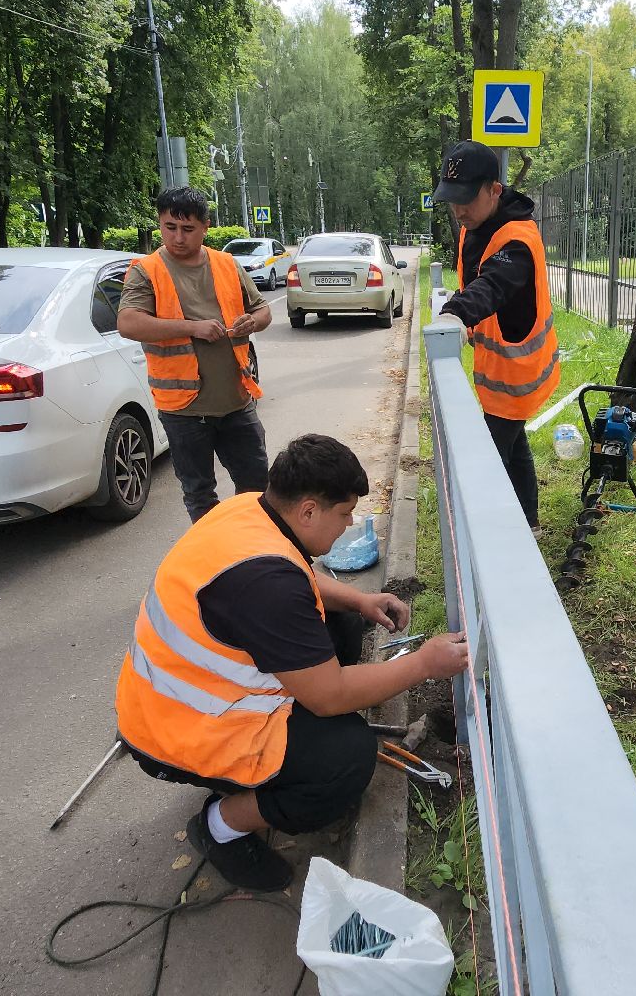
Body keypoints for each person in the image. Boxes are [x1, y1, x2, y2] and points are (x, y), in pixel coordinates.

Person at [114, 434, 469, 892]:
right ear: (308, 510)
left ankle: (273, 766)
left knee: (342, 622)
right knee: (345, 759)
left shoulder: (249, 510)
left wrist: (360, 600)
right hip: (179, 733)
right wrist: (425, 663)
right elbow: (330, 696)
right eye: (343, 515)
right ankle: (220, 825)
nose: (348, 525)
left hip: (173, 700)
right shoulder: (266, 586)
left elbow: (296, 577)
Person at [118, 186, 276, 521]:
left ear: (205, 227)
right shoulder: (146, 270)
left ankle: (256, 554)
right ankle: (217, 562)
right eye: (169, 227)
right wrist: (192, 327)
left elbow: (263, 310)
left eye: (188, 229)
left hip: (236, 404)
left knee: (257, 487)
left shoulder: (226, 264)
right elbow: (129, 323)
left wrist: (253, 322)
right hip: (184, 413)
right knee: (200, 493)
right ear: (160, 225)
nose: (177, 237)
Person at [432, 140, 560, 532]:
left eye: (467, 198)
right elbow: (475, 281)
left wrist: (455, 312)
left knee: (486, 460)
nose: (459, 210)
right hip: (498, 369)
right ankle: (529, 524)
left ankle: (491, 539)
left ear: (494, 190)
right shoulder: (479, 226)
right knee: (516, 448)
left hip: (519, 372)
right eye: (452, 199)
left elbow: (494, 286)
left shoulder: (516, 239)